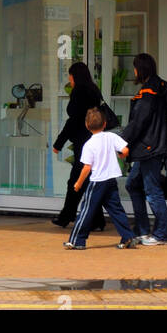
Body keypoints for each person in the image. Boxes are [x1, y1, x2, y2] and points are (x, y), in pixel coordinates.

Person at [64, 108, 137, 251]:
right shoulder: (111, 136)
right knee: (116, 210)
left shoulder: (89, 145)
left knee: (86, 210)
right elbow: (126, 150)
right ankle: (127, 236)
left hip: (97, 182)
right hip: (111, 180)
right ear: (104, 124)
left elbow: (86, 168)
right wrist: (121, 156)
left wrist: (78, 183)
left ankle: (77, 240)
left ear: (86, 125)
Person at [121, 52, 167, 245]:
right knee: (133, 184)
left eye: (135, 67)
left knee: (152, 190)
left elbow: (139, 121)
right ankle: (142, 229)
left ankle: (162, 234)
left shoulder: (148, 92)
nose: (134, 71)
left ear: (140, 69)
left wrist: (123, 142)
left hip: (149, 147)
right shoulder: (159, 87)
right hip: (153, 145)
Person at [51, 62, 105, 230]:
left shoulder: (79, 92)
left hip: (84, 144)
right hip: (95, 140)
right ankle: (97, 221)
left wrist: (59, 142)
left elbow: (73, 121)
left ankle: (66, 216)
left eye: (70, 75)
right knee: (89, 181)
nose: (69, 79)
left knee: (76, 181)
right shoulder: (94, 90)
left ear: (75, 76)